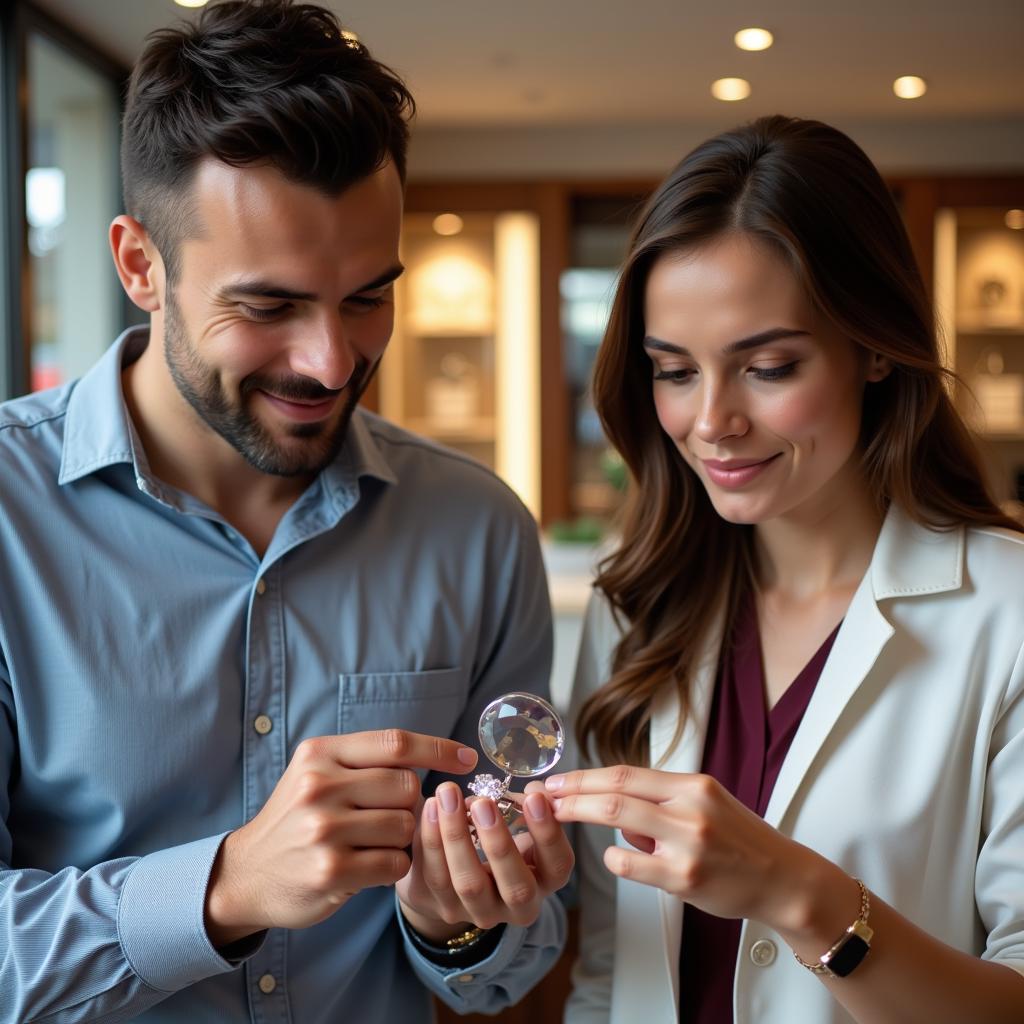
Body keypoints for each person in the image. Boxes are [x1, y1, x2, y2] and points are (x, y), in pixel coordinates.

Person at [0, 2, 573, 1022]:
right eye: (268, 306)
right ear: (141, 266)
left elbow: (517, 951)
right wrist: (221, 891)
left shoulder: (477, 529)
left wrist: (464, 922)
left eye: (366, 297)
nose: (332, 361)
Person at [545, 115, 1024, 1024]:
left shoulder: (1008, 613)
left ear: (876, 347)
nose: (712, 420)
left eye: (768, 367)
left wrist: (800, 895)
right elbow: (610, 973)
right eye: (675, 371)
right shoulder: (635, 607)